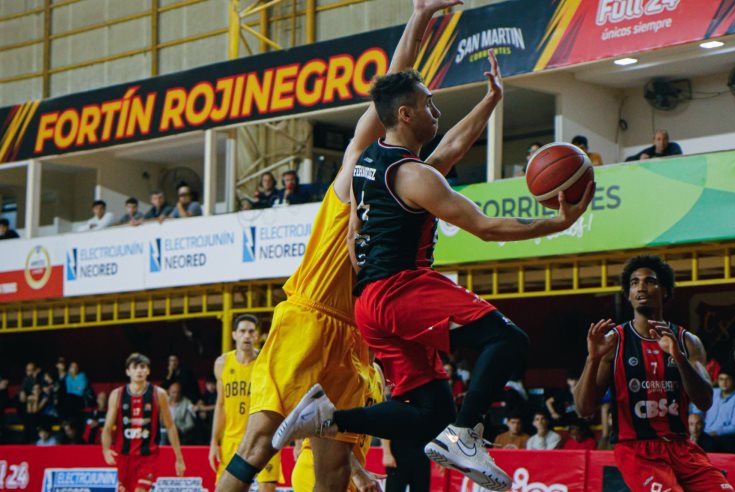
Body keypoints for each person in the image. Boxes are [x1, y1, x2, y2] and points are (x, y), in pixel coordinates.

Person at [274, 49, 593, 490]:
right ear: (405, 114)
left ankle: (326, 416)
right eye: (429, 104)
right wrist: (558, 223)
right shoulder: (413, 176)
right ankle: (465, 439)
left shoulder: (370, 162)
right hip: (400, 290)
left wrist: (490, 101)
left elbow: (448, 153)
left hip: (370, 304)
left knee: (432, 412)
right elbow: (485, 227)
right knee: (507, 340)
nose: (436, 111)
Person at [215, 2, 463, 491]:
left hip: (356, 337)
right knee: (258, 444)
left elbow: (449, 151)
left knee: (332, 471)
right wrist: (420, 19)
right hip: (309, 317)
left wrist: (492, 100)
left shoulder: (408, 189)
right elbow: (388, 89)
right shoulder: (356, 171)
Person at [573, 255, 732, 491]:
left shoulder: (688, 341)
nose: (641, 287)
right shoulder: (614, 342)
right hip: (637, 450)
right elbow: (583, 409)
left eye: (649, 281)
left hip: (682, 447)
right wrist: (592, 359)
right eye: (634, 282)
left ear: (664, 291)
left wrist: (678, 357)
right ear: (628, 295)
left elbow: (705, 401)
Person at [209, 315, 285, 491]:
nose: (247, 336)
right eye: (242, 331)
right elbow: (220, 405)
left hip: (264, 436)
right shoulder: (222, 364)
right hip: (232, 439)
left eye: (251, 332)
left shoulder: (266, 361)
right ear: (234, 334)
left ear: (257, 336)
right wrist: (214, 442)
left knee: (267, 488)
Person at [292, 359, 386, 492]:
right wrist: (357, 472)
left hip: (349, 470)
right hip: (319, 468)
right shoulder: (344, 366)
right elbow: (326, 429)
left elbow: (383, 422)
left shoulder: (377, 371)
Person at [102, 353, 185, 492]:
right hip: (124, 456)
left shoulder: (159, 394)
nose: (139, 371)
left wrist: (179, 458)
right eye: (135, 367)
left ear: (148, 371)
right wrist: (105, 449)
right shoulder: (117, 394)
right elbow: (108, 427)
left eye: (142, 367)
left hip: (148, 456)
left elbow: (170, 426)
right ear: (128, 372)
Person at [703, 369, 735, 453]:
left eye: (728, 379)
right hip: (706, 432)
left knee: (711, 446)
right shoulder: (713, 393)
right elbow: (698, 408)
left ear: (733, 381)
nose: (724, 382)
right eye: (721, 379)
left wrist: (717, 432)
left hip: (725, 435)